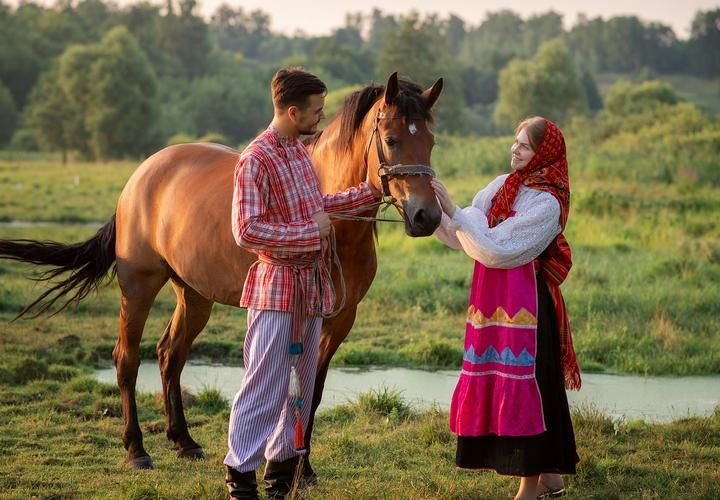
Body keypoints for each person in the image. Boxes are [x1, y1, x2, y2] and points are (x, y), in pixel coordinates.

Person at [224, 68, 379, 499]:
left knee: (298, 387)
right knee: (264, 386)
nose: (322, 117)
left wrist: (367, 193)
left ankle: (279, 476)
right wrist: (310, 234)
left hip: (310, 293)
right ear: (293, 112)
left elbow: (318, 206)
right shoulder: (255, 159)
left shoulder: (297, 151)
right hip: (276, 291)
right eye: (316, 111)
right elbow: (247, 230)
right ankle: (241, 480)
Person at [431, 117, 581, 500]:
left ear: (543, 156)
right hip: (492, 303)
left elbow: (498, 249)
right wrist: (431, 211)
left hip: (528, 311)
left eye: (525, 146)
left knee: (533, 389)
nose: (515, 149)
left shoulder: (548, 203)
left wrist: (454, 211)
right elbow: (466, 232)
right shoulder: (502, 186)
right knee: (502, 381)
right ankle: (551, 478)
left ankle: (528, 486)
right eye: (515, 142)